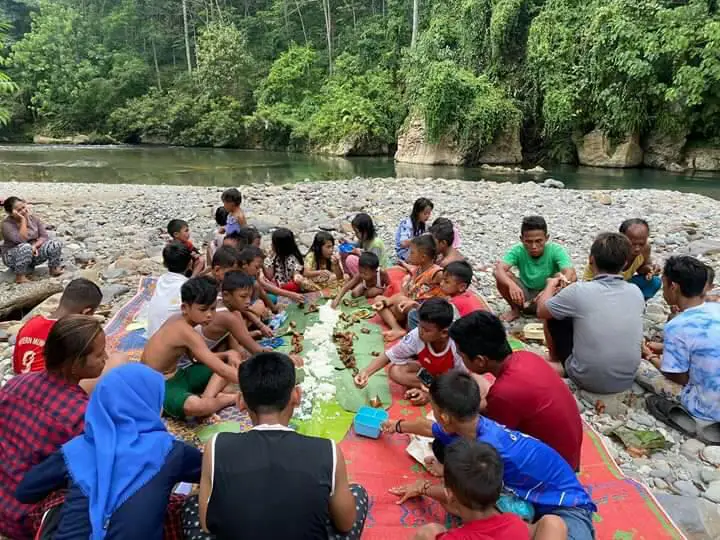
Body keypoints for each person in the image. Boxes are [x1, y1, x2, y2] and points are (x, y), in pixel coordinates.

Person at [385, 372, 596, 540]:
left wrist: (423, 487)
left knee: (548, 525)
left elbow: (463, 492)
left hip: (567, 506)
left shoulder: (490, 450)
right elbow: (428, 427)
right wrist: (396, 426)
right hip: (528, 501)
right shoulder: (470, 426)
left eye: (434, 409)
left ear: (445, 417)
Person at [182, 352, 368, 540]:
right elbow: (346, 524)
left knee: (192, 504)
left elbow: (206, 525)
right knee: (355, 493)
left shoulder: (216, 446)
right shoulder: (328, 451)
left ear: (240, 402)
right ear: (296, 396)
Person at [15, 364, 202, 540]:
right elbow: (211, 471)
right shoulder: (170, 450)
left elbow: (25, 492)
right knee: (192, 503)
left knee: (61, 494)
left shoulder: (76, 449)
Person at [0, 316, 107, 539]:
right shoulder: (82, 416)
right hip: (26, 517)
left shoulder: (16, 383)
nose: (105, 358)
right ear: (76, 364)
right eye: (99, 355)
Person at [449, 311, 583, 470]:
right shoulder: (526, 357)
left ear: (479, 360)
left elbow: (490, 441)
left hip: (553, 470)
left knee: (457, 451)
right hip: (569, 455)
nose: (460, 359)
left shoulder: (504, 392)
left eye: (461, 355)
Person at [537, 232, 644, 394]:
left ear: (591, 260)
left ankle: (556, 360)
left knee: (555, 314)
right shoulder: (636, 291)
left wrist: (550, 285)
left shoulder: (579, 290)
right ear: (625, 264)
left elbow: (541, 310)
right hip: (626, 379)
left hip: (586, 379)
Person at [411, 440, 567, 540]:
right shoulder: (516, 524)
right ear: (499, 488)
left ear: (450, 495)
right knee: (553, 522)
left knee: (428, 531)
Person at [142, 276, 241, 420]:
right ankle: (224, 400)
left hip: (178, 375)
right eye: (203, 309)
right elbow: (221, 369)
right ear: (185, 308)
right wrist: (254, 384)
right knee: (195, 406)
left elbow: (196, 359)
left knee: (228, 366)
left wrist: (227, 354)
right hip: (160, 386)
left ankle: (208, 398)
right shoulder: (184, 331)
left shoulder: (183, 322)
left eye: (213, 309)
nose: (209, 315)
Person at [645, 256, 720, 443]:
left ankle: (694, 421)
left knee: (641, 369)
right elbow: (702, 346)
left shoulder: (678, 326)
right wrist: (664, 348)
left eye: (664, 284)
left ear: (674, 287)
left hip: (708, 407)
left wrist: (650, 357)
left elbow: (677, 376)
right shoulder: (715, 309)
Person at [354, 299, 463, 405]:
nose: (421, 331)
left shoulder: (457, 346)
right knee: (395, 371)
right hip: (431, 373)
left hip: (450, 380)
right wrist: (366, 372)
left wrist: (429, 395)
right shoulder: (417, 335)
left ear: (444, 333)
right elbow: (390, 355)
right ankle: (428, 387)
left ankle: (432, 391)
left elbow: (461, 381)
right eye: (420, 325)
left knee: (458, 390)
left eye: (426, 330)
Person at [13, 278, 102, 374]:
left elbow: (16, 367)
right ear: (86, 313)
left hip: (21, 383)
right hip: (49, 386)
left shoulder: (30, 324)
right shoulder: (72, 332)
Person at [495, 216, 576, 322]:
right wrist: (512, 286)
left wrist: (548, 290)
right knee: (505, 275)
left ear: (546, 238)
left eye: (538, 241)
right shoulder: (518, 250)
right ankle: (515, 310)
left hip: (549, 294)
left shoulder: (556, 250)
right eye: (528, 242)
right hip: (525, 294)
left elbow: (569, 271)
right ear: (521, 239)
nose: (534, 246)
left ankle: (548, 312)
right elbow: (499, 269)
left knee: (568, 277)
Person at [375, 234, 444, 342]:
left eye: (412, 252)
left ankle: (401, 327)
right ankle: (397, 328)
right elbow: (403, 294)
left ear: (423, 257)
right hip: (404, 307)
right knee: (378, 299)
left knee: (403, 301)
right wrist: (386, 302)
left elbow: (445, 283)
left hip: (419, 311)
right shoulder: (416, 270)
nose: (409, 255)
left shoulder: (435, 273)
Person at [585, 218, 661, 301]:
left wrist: (650, 269)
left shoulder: (645, 249)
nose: (637, 249)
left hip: (622, 284)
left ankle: (637, 303)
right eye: (633, 244)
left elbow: (641, 268)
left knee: (654, 282)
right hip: (601, 285)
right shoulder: (612, 251)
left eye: (641, 244)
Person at [202, 271, 274, 354]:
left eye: (249, 297)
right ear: (226, 295)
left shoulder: (220, 298)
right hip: (190, 362)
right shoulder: (227, 317)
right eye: (243, 296)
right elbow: (256, 350)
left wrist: (260, 327)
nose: (248, 301)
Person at [2, 196, 64, 284]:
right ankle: (20, 276)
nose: (23, 211)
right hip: (13, 256)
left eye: (23, 207)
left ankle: (53, 269)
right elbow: (21, 240)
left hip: (32, 252)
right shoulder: (6, 225)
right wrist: (23, 220)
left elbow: (44, 236)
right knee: (26, 247)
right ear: (11, 213)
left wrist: (34, 246)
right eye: (19, 210)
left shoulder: (34, 219)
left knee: (55, 243)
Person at [147, 241, 192, 338]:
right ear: (190, 263)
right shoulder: (187, 286)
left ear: (164, 264)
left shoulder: (161, 279)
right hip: (171, 339)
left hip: (152, 336)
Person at [238, 245, 304, 306]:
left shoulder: (252, 273)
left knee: (272, 298)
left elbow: (264, 287)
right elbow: (264, 286)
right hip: (247, 307)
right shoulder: (238, 278)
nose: (258, 271)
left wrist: (292, 295)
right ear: (244, 264)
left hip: (254, 302)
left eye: (260, 268)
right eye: (256, 267)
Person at [264, 227, 305, 292]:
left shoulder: (294, 258)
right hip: (276, 284)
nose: (271, 245)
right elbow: (269, 276)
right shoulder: (273, 256)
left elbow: (297, 271)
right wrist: (269, 258)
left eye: (273, 243)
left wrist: (297, 276)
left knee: (294, 286)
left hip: (287, 285)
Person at [395, 197, 434, 261]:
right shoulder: (407, 224)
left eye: (429, 213)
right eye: (425, 213)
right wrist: (421, 238)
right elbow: (403, 243)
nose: (427, 216)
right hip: (404, 252)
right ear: (417, 212)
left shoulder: (421, 223)